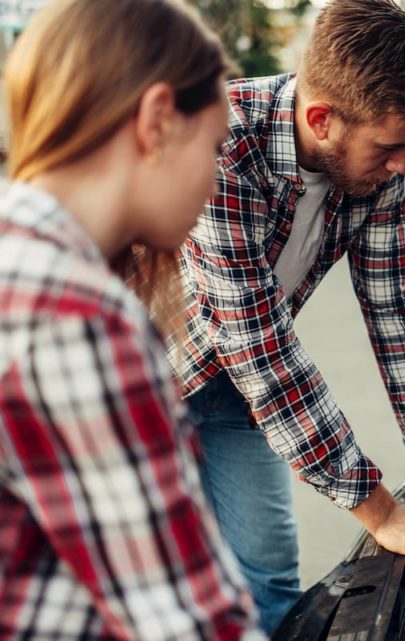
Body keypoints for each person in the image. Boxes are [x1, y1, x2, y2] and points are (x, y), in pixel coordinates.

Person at [173, 0, 405, 631]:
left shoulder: (374, 172)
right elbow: (258, 340)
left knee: (266, 580)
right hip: (131, 391)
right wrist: (381, 512)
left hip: (239, 394)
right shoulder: (215, 145)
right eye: (390, 147)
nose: (402, 165)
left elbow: (390, 305)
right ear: (321, 119)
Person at [0, 0, 265, 638]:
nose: (214, 178)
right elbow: (188, 622)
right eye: (215, 144)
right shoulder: (78, 315)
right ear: (156, 122)